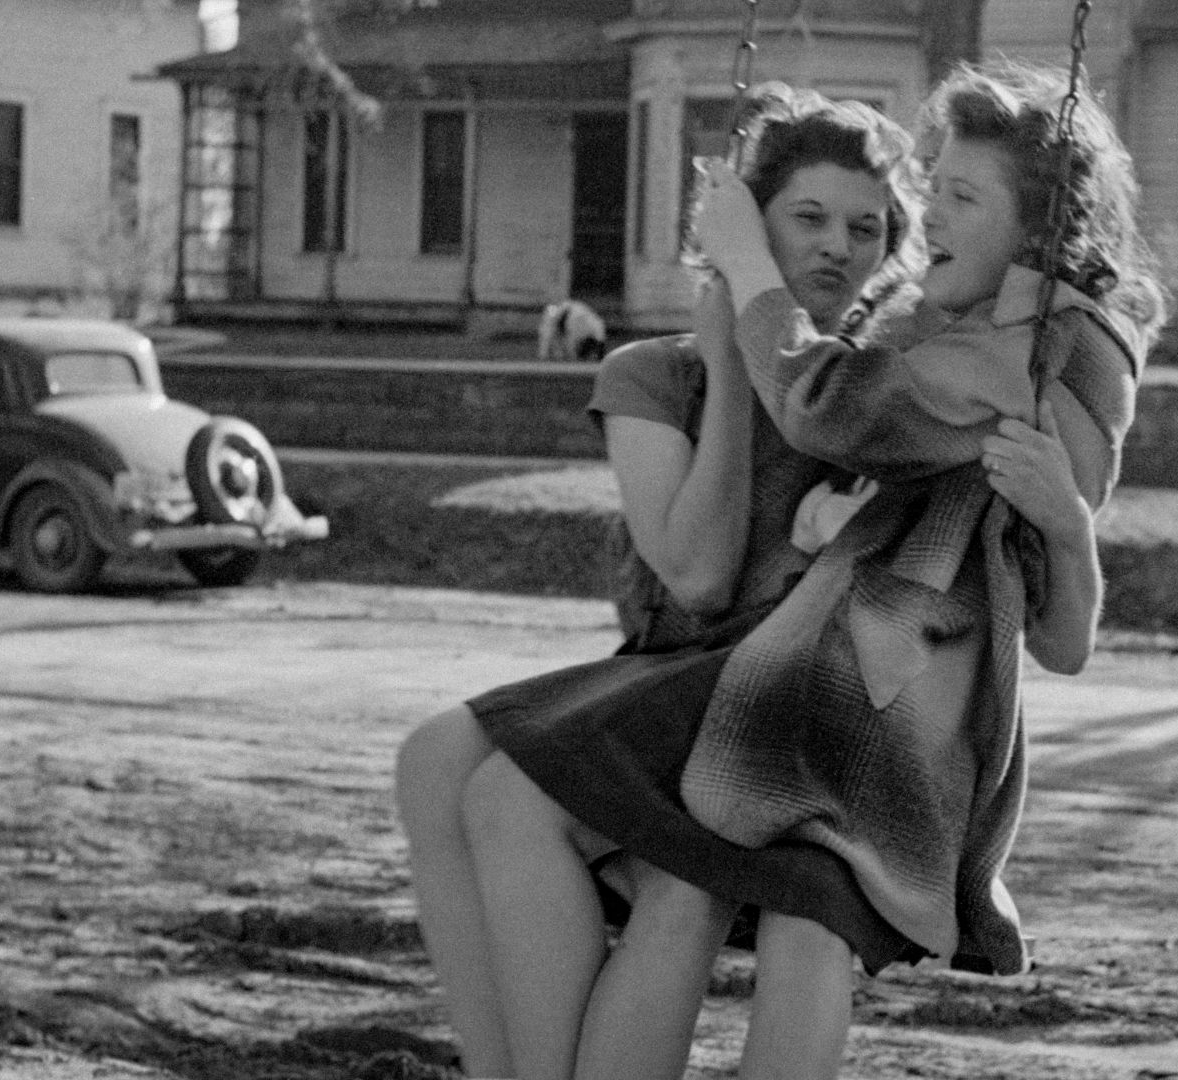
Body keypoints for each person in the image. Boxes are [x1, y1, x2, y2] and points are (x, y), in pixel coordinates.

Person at [462, 59, 1165, 1080]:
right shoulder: (971, 331)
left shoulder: (1023, 352)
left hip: (857, 700)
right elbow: (964, 533)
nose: (932, 215)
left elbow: (827, 401)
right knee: (794, 929)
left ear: (1041, 229)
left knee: (599, 820)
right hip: (868, 690)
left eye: (961, 196)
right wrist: (841, 518)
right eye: (931, 191)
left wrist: (748, 263)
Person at [393, 85, 922, 1080]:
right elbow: (690, 569)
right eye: (806, 218)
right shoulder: (652, 374)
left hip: (772, 703)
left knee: (522, 800)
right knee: (431, 762)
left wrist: (744, 367)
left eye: (866, 227)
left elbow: (709, 579)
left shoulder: (859, 395)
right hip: (665, 678)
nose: (839, 246)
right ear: (746, 231)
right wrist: (721, 362)